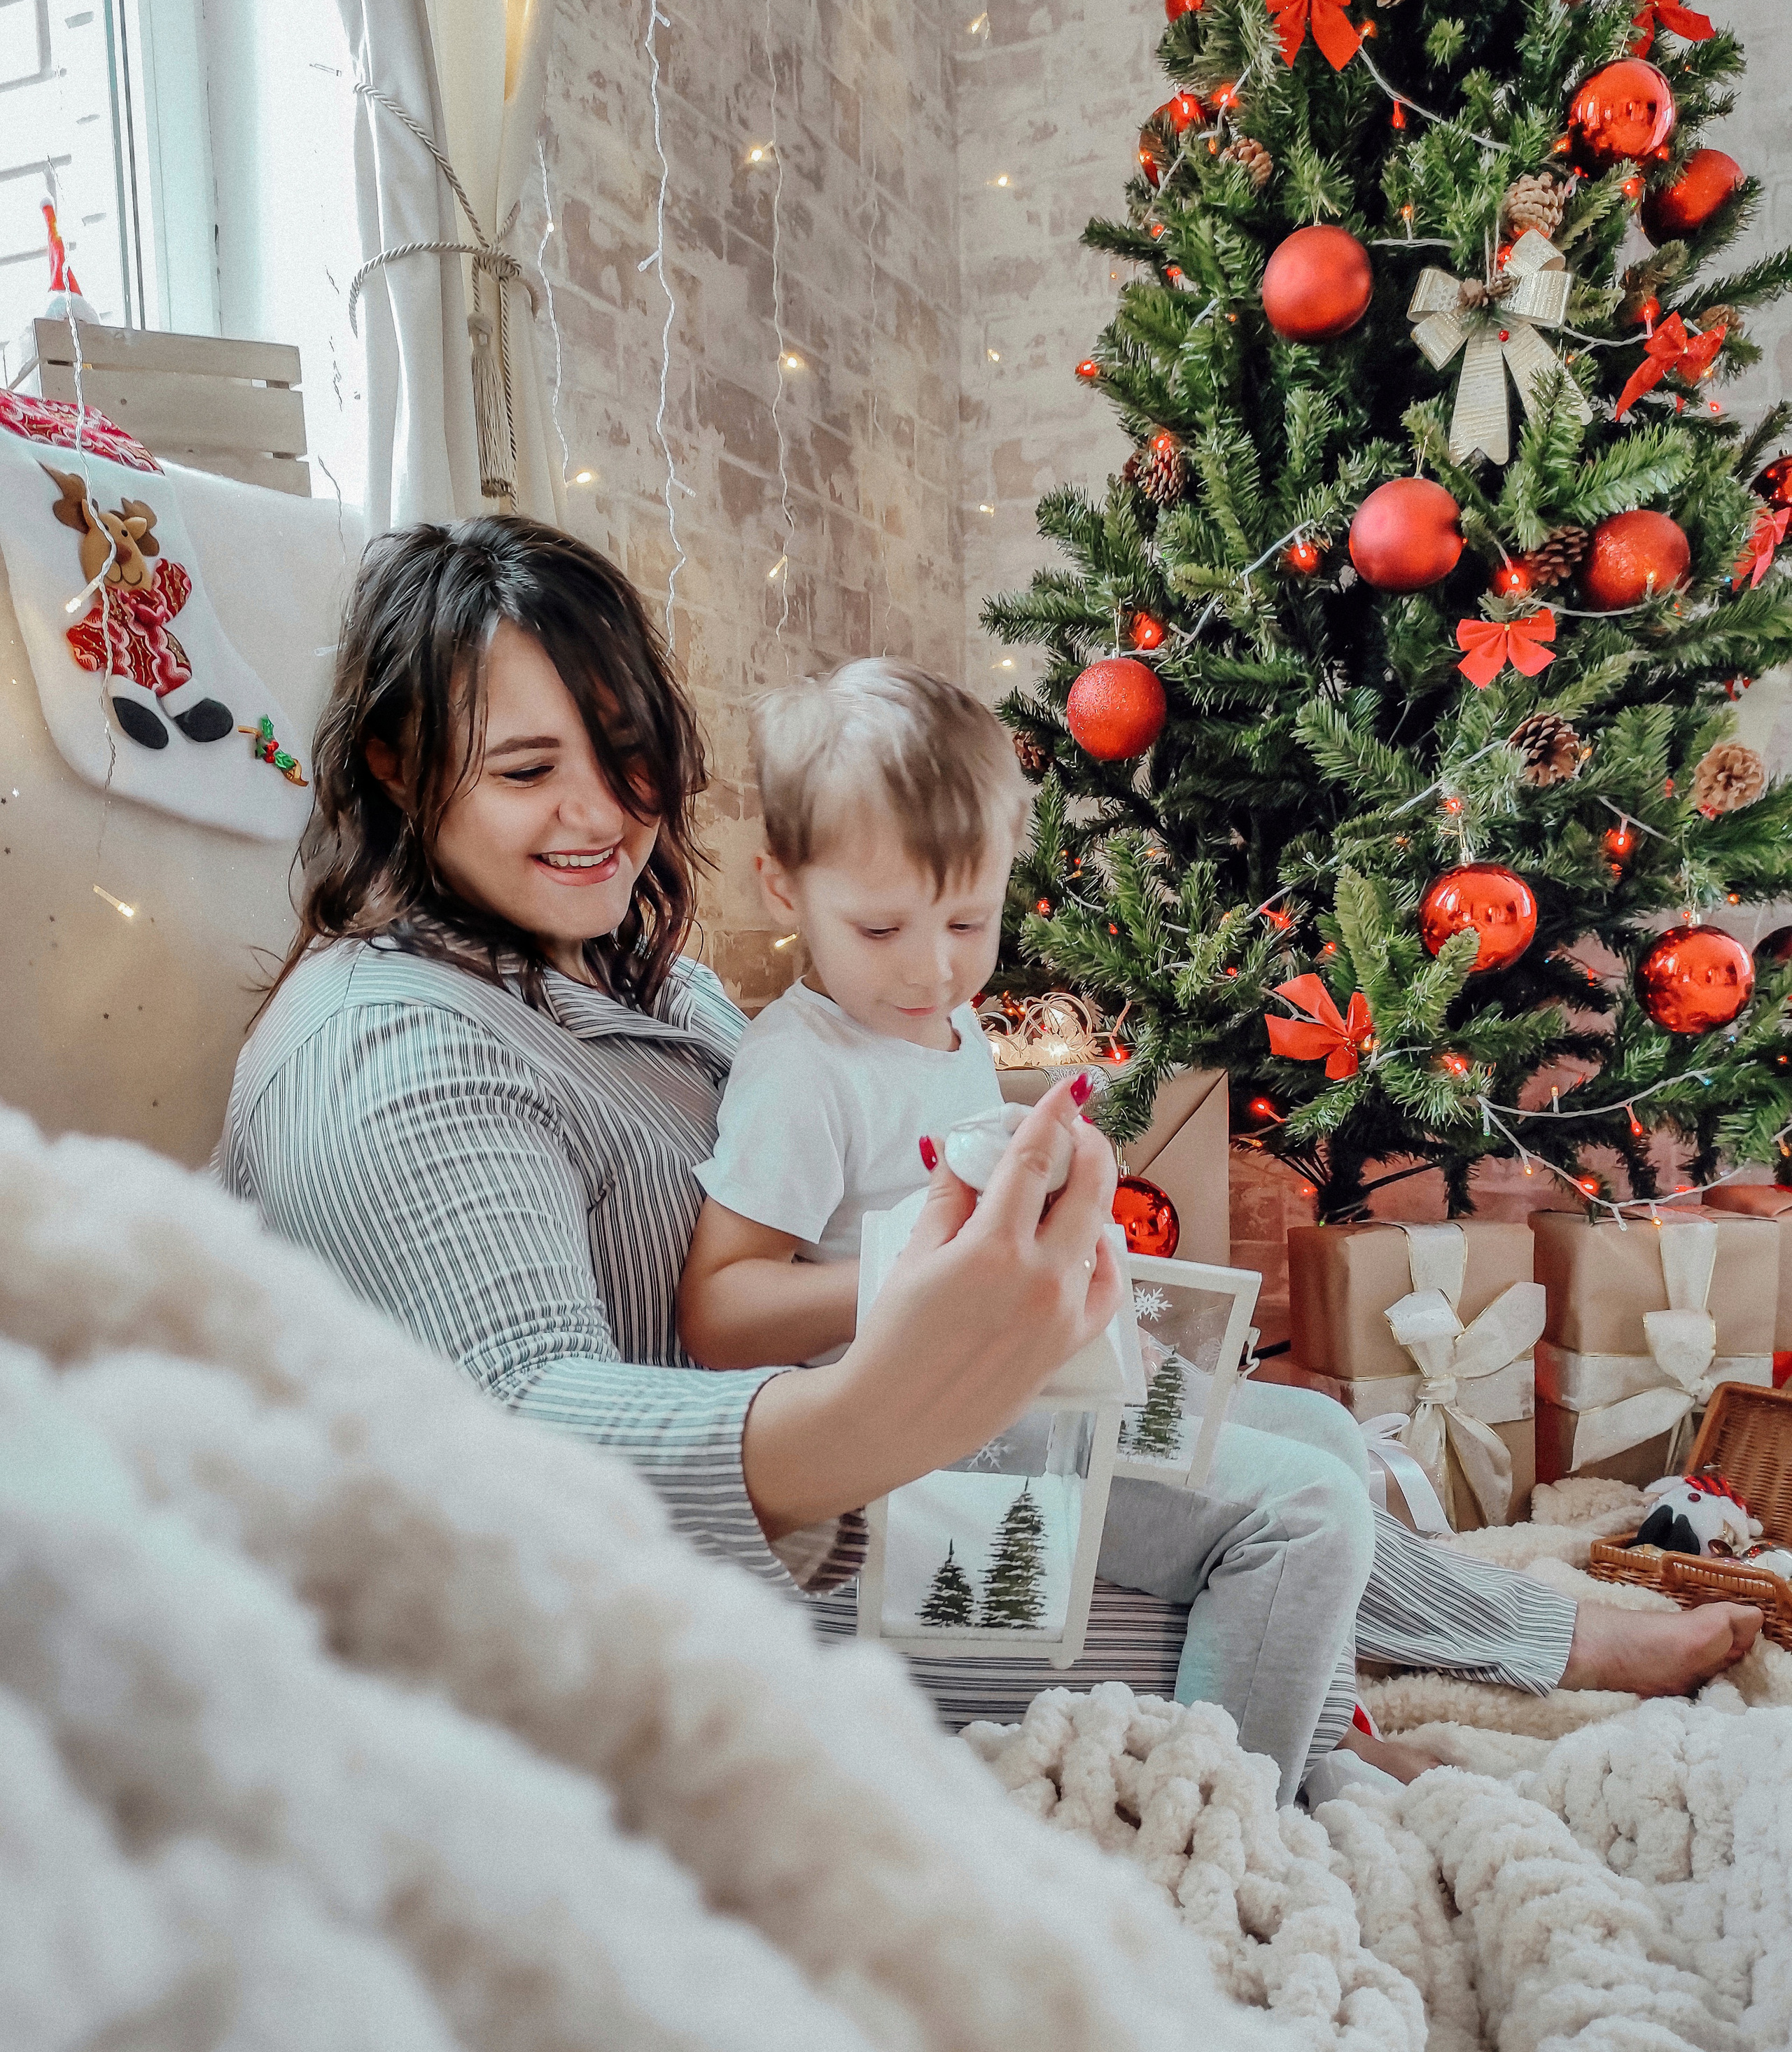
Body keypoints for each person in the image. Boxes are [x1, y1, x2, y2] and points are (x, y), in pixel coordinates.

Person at [218, 519, 1762, 1799]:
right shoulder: (389, 1048)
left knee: (1295, 1435)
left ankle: (1489, 1645)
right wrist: (895, 1376)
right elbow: (513, 1437)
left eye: (626, 754)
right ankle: (1304, 1764)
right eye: (523, 770)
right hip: (729, 1576)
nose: (599, 813)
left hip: (871, 1459)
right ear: (398, 767)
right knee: (1268, 1550)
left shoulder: (654, 987)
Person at [678, 655, 1384, 1803]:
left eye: (971, 919)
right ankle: (1215, 1812)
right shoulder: (801, 1072)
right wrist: (924, 1277)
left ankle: (1310, 1748)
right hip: (919, 1432)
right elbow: (718, 1312)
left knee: (1328, 1434)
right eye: (881, 927)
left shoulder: (947, 1025)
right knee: (1307, 1513)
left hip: (1017, 1374)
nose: (935, 967)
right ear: (783, 889)